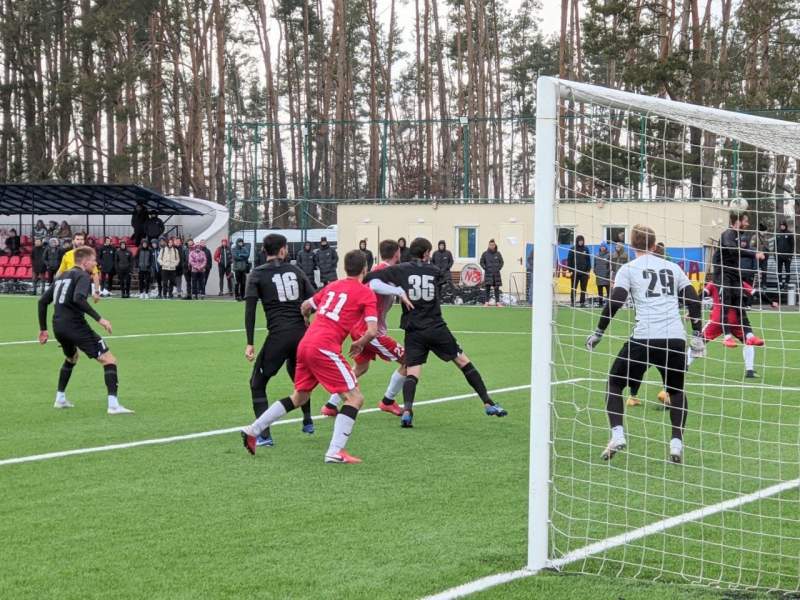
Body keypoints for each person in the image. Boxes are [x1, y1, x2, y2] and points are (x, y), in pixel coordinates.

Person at [240, 250, 379, 464]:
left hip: (305, 344)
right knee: (355, 398)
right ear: (365, 269)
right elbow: (372, 330)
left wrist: (306, 319)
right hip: (325, 347)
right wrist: (360, 343)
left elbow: (305, 305)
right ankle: (335, 451)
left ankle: (253, 430)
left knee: (300, 397)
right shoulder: (366, 293)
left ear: (344, 267)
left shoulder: (332, 286)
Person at [585, 225, 703, 464]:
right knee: (676, 391)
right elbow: (692, 298)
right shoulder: (673, 268)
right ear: (654, 244)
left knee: (614, 383)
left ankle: (617, 434)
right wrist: (697, 333)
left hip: (645, 338)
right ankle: (676, 444)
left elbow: (616, 300)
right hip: (675, 338)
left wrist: (599, 332)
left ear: (632, 245)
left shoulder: (628, 269)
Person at [365, 237, 508, 428]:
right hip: (436, 327)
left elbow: (372, 278)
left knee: (412, 371)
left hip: (413, 330)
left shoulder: (400, 269)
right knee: (463, 362)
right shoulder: (434, 270)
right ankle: (488, 402)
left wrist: (366, 281)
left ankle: (407, 411)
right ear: (426, 253)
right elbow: (445, 283)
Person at [322, 239, 415, 418]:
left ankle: (330, 405)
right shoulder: (382, 270)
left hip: (360, 328)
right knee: (409, 361)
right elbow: (374, 285)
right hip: (370, 332)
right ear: (397, 253)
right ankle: (388, 401)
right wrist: (399, 292)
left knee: (361, 368)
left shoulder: (386, 271)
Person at [37, 246, 133, 415]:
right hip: (75, 326)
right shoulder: (82, 275)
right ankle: (113, 405)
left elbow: (42, 301)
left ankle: (60, 398)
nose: (95, 264)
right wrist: (100, 319)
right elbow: (78, 299)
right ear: (85, 261)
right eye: (94, 260)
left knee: (72, 357)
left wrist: (43, 329)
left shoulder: (61, 276)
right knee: (109, 360)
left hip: (58, 326)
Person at [243, 234, 317, 446]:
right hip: (302, 334)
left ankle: (264, 435)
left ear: (264, 251)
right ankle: (307, 421)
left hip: (279, 336)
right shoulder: (296, 270)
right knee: (298, 378)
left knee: (257, 383)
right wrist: (305, 316)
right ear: (283, 250)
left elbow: (250, 310)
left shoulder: (257, 273)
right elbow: (314, 300)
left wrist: (250, 342)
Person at [691, 279, 761, 378]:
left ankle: (684, 365)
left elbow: (702, 295)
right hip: (736, 319)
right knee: (748, 341)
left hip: (718, 319)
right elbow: (754, 293)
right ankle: (750, 370)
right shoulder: (738, 281)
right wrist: (771, 302)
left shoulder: (714, 282)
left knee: (699, 341)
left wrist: (692, 309)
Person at [719, 212, 765, 348]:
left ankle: (750, 336)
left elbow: (742, 250)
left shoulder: (739, 236)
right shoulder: (728, 234)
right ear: (738, 221)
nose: (748, 224)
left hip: (734, 272)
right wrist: (754, 254)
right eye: (745, 221)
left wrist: (755, 253)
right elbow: (734, 250)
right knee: (726, 300)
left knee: (739, 302)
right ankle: (727, 337)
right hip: (722, 272)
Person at [57, 232, 101, 303]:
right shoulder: (67, 255)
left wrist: (97, 292)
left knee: (80, 306)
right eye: (77, 239)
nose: (80, 241)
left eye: (82, 239)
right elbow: (60, 272)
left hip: (82, 287)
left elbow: (95, 274)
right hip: (68, 287)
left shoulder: (88, 256)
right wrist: (54, 287)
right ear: (73, 241)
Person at [567, 235, 591, 307]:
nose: (581, 242)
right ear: (577, 241)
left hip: (584, 273)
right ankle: (573, 302)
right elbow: (569, 260)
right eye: (579, 241)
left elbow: (588, 260)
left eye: (582, 241)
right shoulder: (572, 249)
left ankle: (582, 302)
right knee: (573, 288)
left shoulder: (586, 249)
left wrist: (588, 270)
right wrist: (571, 270)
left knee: (583, 288)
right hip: (575, 272)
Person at [480, 239, 504, 306]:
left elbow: (502, 262)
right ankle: (486, 302)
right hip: (488, 274)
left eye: (493, 245)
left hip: (496, 274)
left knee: (496, 288)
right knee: (487, 288)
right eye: (490, 245)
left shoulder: (498, 254)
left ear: (495, 245)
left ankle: (497, 302)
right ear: (488, 245)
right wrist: (485, 268)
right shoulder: (485, 254)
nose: (492, 246)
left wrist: (498, 268)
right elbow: (481, 262)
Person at [776, 221, 794, 292]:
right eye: (781, 225)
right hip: (779, 256)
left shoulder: (790, 234)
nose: (782, 226)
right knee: (779, 271)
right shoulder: (778, 233)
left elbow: (792, 246)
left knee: (787, 270)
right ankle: (780, 284)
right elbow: (775, 244)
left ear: (785, 226)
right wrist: (775, 255)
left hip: (787, 256)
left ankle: (786, 284)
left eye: (783, 225)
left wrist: (790, 256)